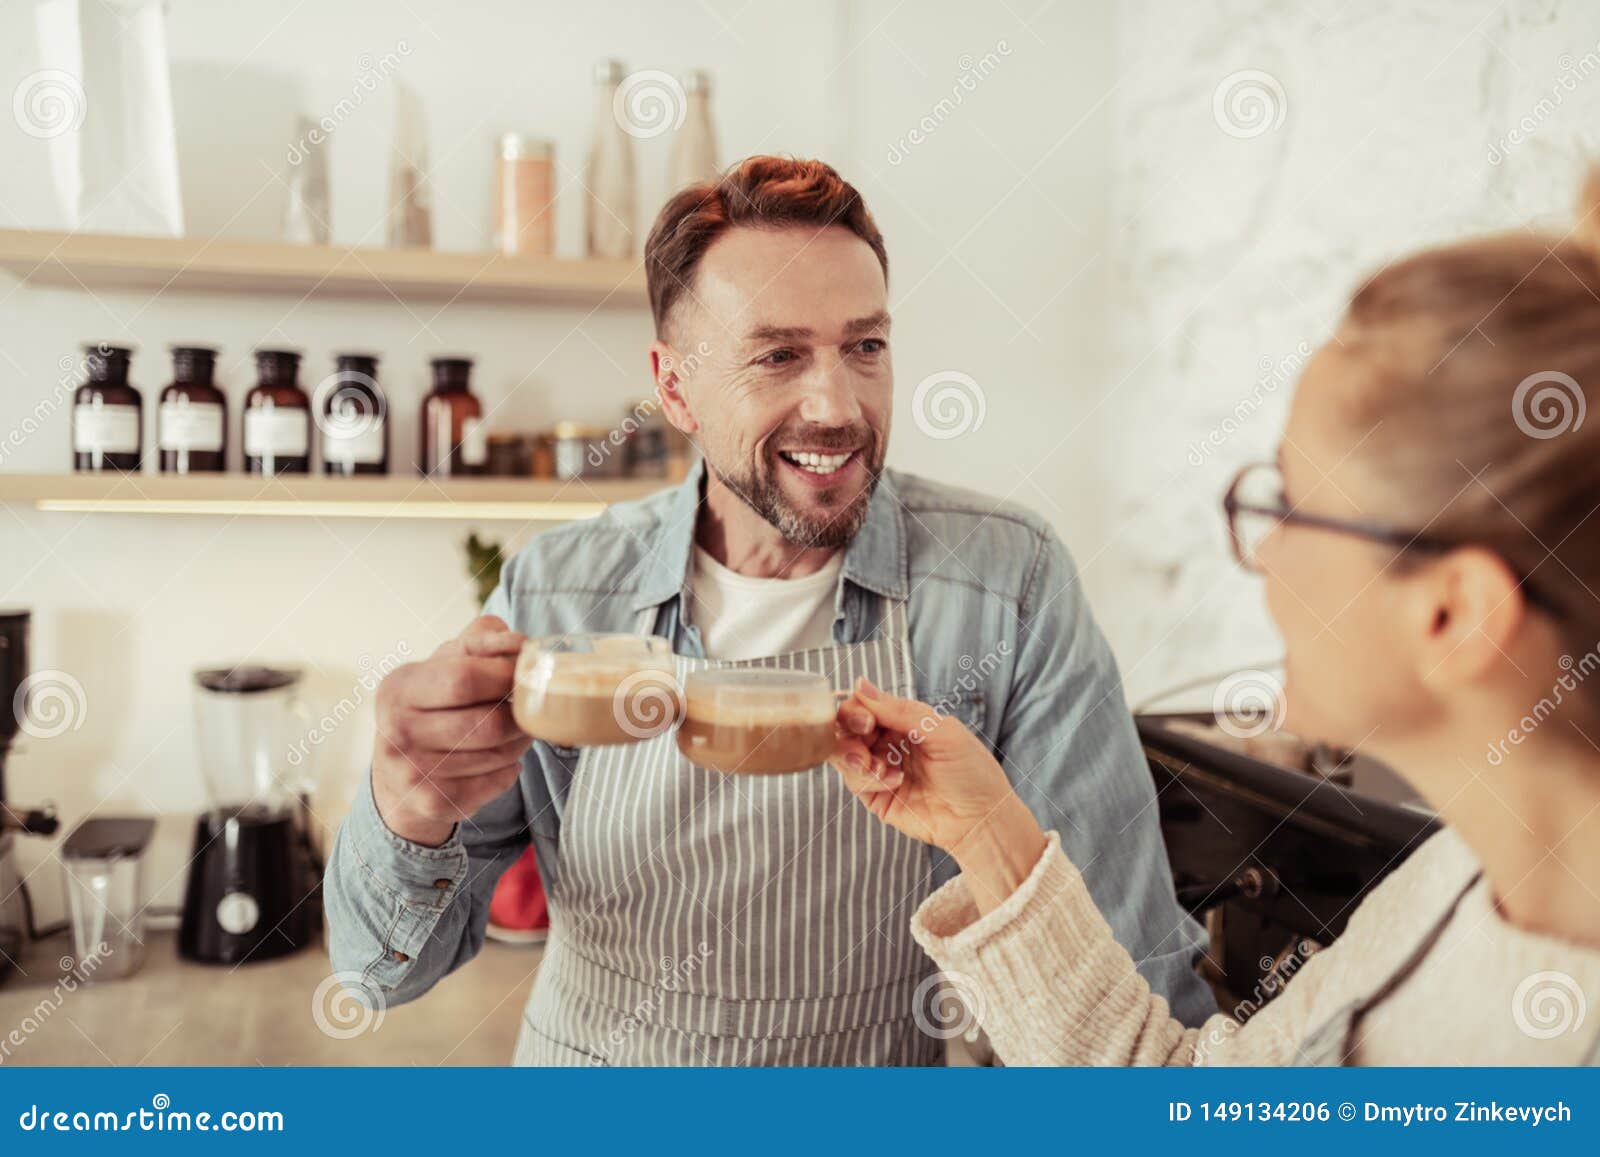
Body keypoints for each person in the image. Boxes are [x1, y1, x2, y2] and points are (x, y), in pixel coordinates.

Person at [323, 156, 1214, 1066]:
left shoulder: (1006, 585)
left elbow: (1129, 983)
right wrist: (406, 805)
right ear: (674, 388)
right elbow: (378, 973)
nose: (837, 405)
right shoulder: (560, 594)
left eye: (865, 347)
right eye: (778, 355)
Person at [831, 175, 1600, 1066]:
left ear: (1453, 613)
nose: (1266, 555)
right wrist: (984, 831)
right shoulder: (1452, 889)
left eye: (1301, 508)